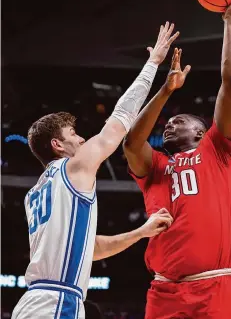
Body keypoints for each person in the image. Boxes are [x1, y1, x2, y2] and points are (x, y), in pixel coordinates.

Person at [11, 22, 177, 319]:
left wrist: (140, 232)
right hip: (57, 303)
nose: (81, 138)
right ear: (57, 145)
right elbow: (120, 119)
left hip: (30, 304)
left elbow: (91, 249)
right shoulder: (73, 167)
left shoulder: (35, 193)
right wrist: (153, 64)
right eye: (73, 133)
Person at [123, 0, 231, 319]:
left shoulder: (219, 151)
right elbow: (131, 143)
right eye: (169, 121)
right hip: (163, 291)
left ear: (202, 132)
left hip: (214, 287)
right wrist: (165, 89)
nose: (170, 123)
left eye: (180, 120)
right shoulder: (156, 168)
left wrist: (229, 23)